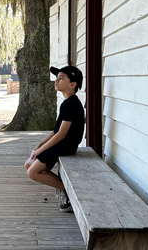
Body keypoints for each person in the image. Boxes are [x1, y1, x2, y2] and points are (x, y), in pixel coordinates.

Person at [25, 65, 85, 212]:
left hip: (65, 145)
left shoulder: (72, 104)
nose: (56, 81)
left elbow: (62, 134)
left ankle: (68, 191)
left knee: (32, 172)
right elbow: (56, 130)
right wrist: (41, 144)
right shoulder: (66, 103)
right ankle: (64, 189)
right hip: (60, 144)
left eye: (61, 78)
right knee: (29, 164)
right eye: (56, 77)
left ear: (72, 84)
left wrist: (42, 150)